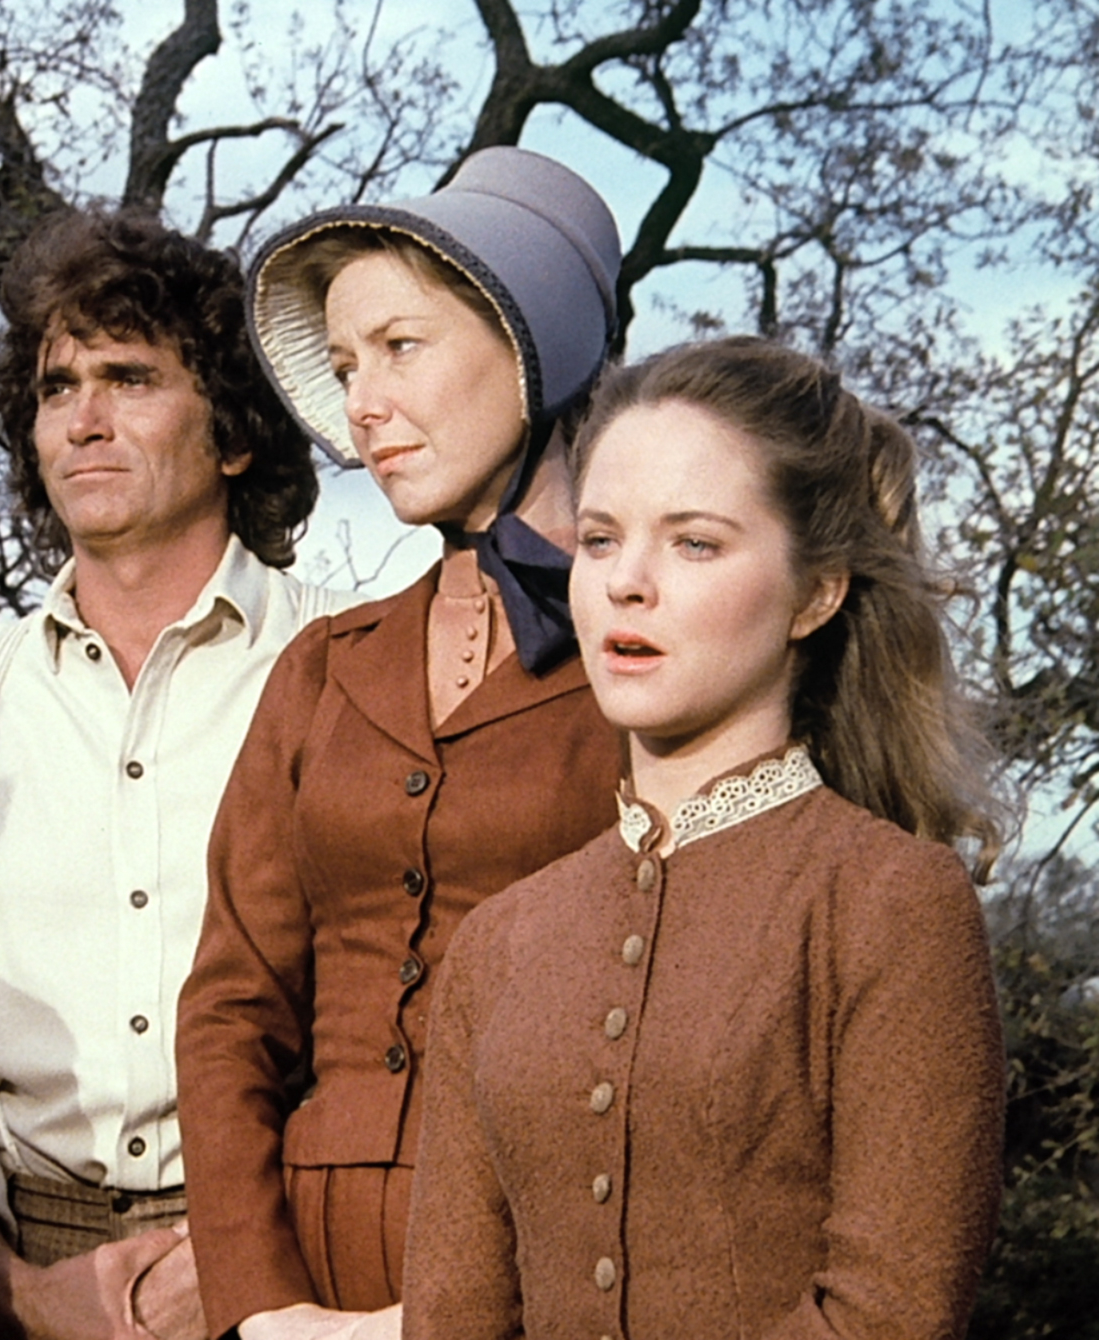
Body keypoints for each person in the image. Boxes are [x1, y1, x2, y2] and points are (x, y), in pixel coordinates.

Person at [403, 336, 1009, 1339]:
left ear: (816, 592)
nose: (626, 583)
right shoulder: (499, 943)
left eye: (695, 542)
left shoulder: (893, 903)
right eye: (599, 540)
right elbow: (455, 1316)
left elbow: (891, 1308)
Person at [0, 208, 357, 1340]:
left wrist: (243, 1255)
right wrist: (1, 1280)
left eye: (129, 378)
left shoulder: (351, 665)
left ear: (233, 433)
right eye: (55, 385)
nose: (82, 418)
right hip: (15, 1277)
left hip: (306, 1262)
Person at [176, 146, 629, 1339]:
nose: (362, 402)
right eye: (339, 365)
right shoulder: (328, 666)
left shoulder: (655, 665)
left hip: (559, 1262)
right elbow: (231, 1003)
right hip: (307, 1271)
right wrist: (258, 1306)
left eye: (401, 346)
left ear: (536, 344)